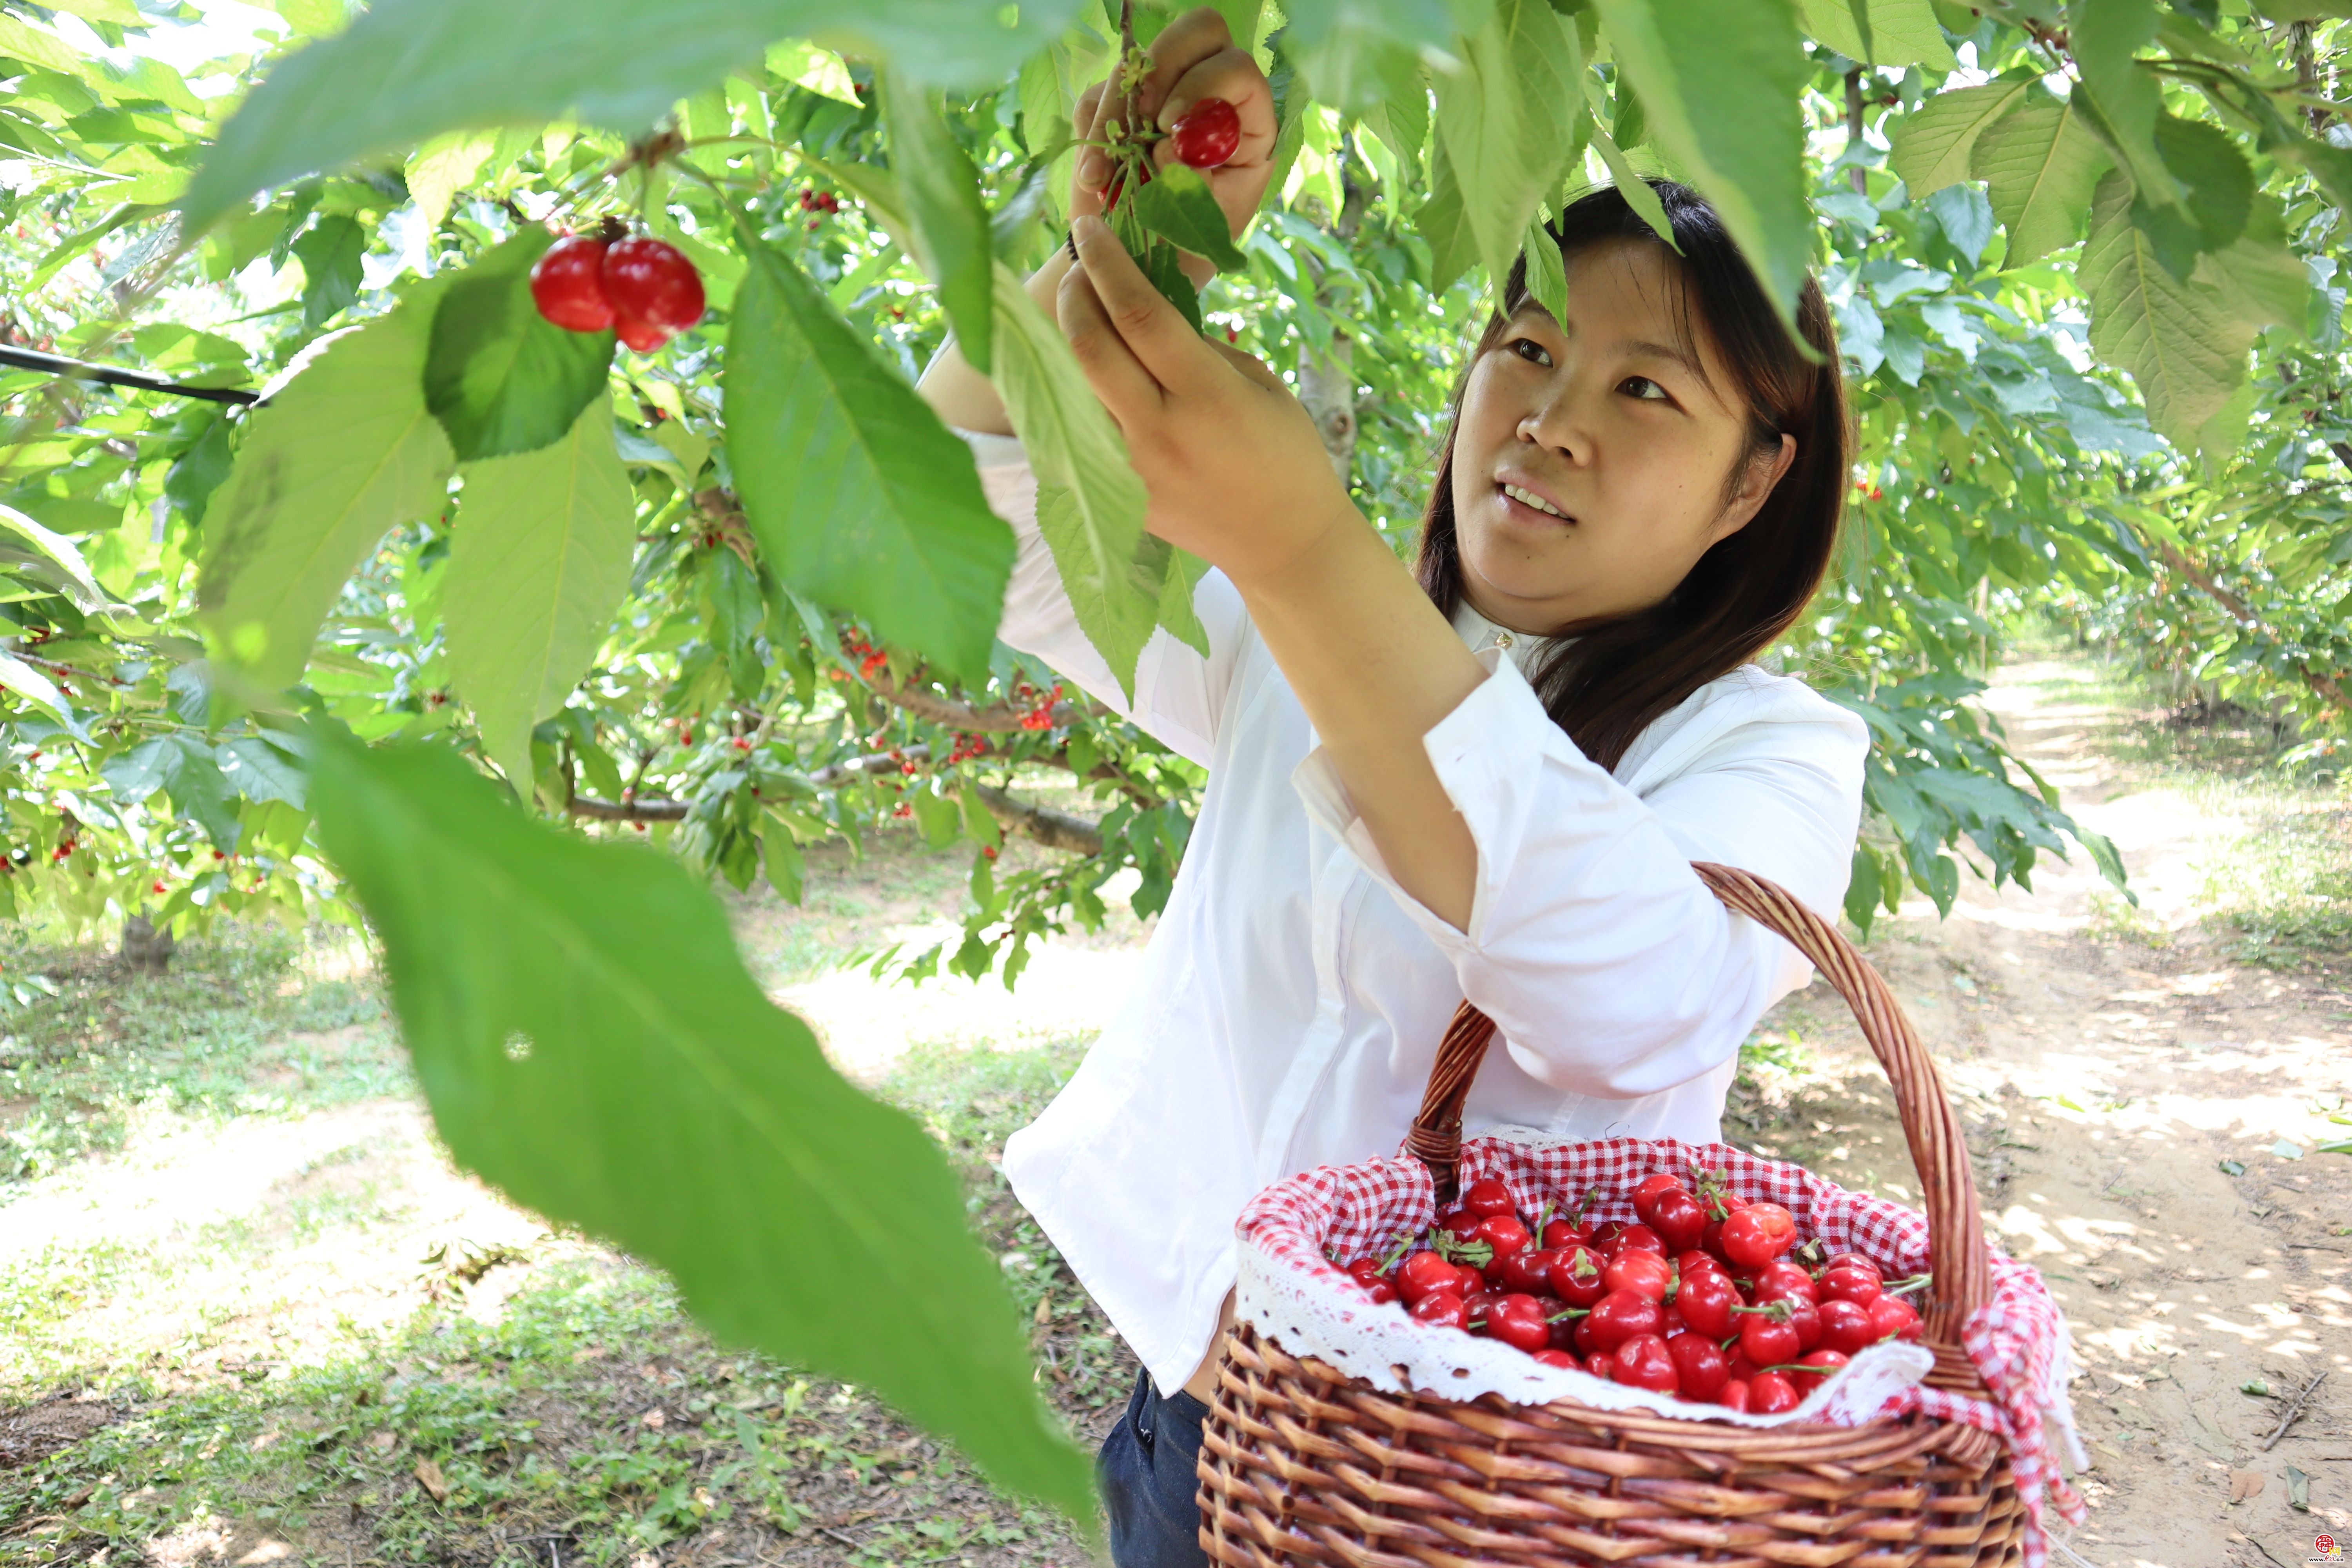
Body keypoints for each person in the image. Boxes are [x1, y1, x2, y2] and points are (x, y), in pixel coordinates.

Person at [918, 11, 1866, 1563]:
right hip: (1201, 1425)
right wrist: (1115, 257)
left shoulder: (1767, 750)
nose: (1553, 418)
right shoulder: (1302, 642)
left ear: (1754, 479)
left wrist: (1301, 547)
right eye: (1532, 349)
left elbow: (1644, 992)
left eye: (1648, 392)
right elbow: (976, 515)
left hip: (1484, 1490)